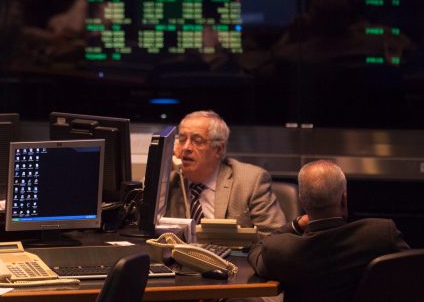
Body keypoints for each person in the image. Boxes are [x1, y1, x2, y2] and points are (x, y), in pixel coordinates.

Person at [248, 160, 409, 302]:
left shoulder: (280, 250)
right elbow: (414, 270)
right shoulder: (380, 234)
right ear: (344, 200)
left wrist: (296, 225)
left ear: (302, 202)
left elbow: (256, 249)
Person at [165, 110, 285, 234]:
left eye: (197, 140)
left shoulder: (251, 181)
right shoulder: (168, 182)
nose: (186, 147)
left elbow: (273, 237)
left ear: (218, 149)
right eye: (182, 139)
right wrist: (161, 170)